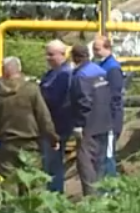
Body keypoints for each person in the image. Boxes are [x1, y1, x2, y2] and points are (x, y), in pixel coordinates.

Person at [0, 57, 58, 205]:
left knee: (9, 186)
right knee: (33, 185)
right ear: (19, 70)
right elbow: (43, 117)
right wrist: (52, 138)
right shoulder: (32, 90)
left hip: (7, 147)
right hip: (31, 145)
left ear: (3, 71)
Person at [67, 43, 112, 196]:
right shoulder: (100, 71)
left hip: (89, 127)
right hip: (104, 123)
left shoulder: (81, 76)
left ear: (74, 57)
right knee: (99, 162)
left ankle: (91, 199)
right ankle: (100, 198)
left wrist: (79, 125)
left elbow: (84, 102)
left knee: (85, 163)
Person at [38, 40, 73, 194]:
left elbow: (53, 99)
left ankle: (55, 195)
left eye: (51, 54)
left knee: (53, 164)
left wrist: (37, 97)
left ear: (62, 54)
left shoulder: (65, 74)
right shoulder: (52, 73)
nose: (47, 57)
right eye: (47, 54)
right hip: (49, 125)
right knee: (49, 163)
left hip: (57, 126)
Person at [92, 35, 125, 178]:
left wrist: (111, 122)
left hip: (109, 121)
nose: (94, 52)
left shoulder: (112, 68)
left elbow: (115, 97)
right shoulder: (100, 65)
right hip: (101, 120)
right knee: (101, 155)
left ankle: (111, 190)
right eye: (93, 48)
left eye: (97, 49)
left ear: (108, 48)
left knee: (108, 155)